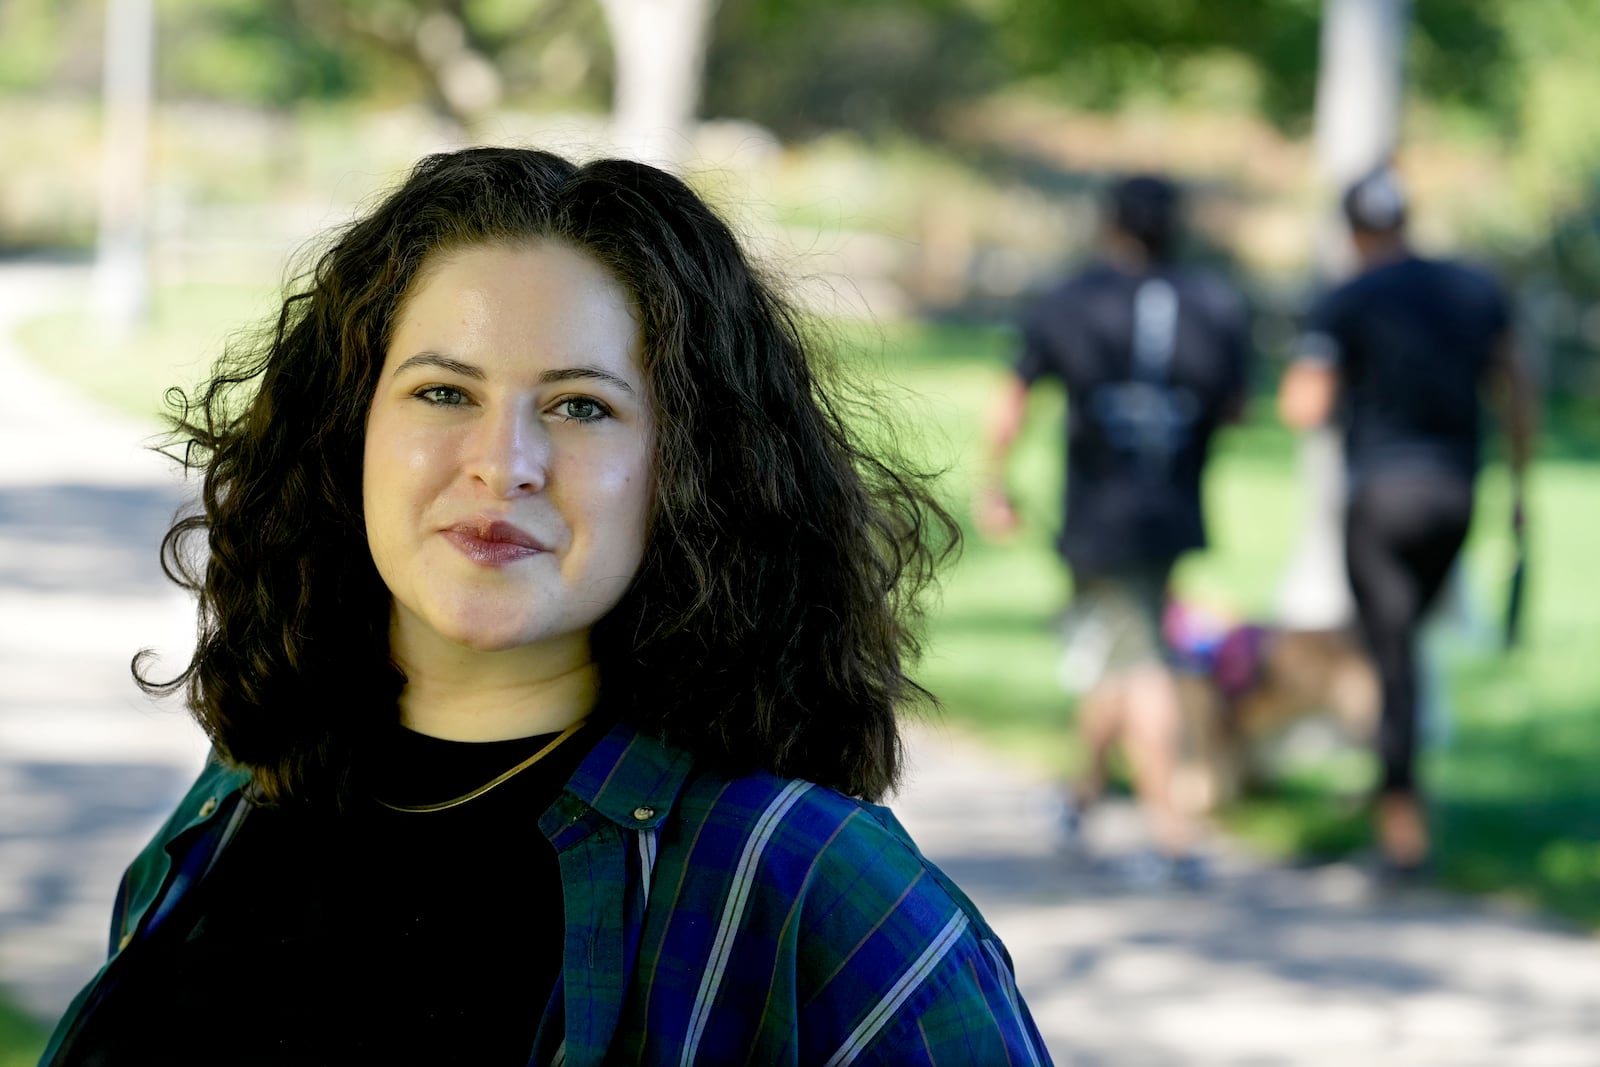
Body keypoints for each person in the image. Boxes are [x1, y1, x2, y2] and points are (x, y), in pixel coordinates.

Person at [41, 147, 1052, 1066]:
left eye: (581, 406)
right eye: (443, 392)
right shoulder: (237, 802)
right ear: (349, 430)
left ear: (692, 469)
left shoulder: (808, 888)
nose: (502, 463)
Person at [976, 175, 1251, 887]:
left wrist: (995, 482)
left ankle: (1173, 835)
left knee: (1138, 657)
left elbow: (1014, 396)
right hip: (1171, 509)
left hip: (1099, 510)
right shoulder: (1215, 301)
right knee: (1122, 642)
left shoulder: (1072, 297)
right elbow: (1237, 408)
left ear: (1110, 225)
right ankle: (1082, 795)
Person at [1278, 166, 1536, 877]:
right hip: (1455, 494)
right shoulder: (1473, 287)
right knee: (1400, 653)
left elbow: (1301, 404)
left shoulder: (1348, 295)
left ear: (1353, 230)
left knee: (1390, 656)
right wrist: (1520, 486)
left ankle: (1402, 837)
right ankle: (1394, 788)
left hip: (1381, 499)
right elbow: (1517, 386)